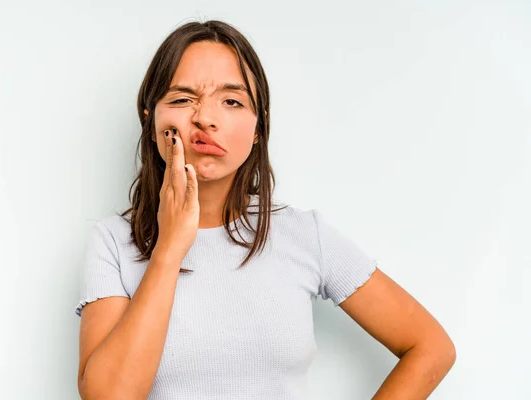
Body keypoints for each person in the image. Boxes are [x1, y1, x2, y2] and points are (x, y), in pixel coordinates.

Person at [74, 20, 456, 400]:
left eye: (232, 101)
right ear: (150, 116)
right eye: (182, 99)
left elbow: (430, 347)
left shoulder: (304, 235)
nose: (205, 118)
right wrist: (169, 248)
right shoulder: (112, 243)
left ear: (259, 126)